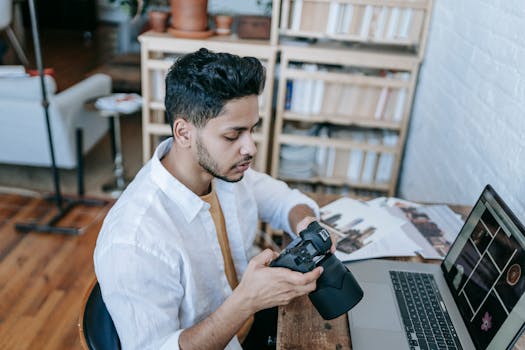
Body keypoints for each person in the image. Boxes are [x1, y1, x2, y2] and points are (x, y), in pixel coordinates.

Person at [94, 48, 327, 350]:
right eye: (233, 136)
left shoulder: (225, 171)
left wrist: (307, 224)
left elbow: (283, 200)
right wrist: (246, 301)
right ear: (184, 133)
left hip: (256, 324)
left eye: (252, 130)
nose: (250, 148)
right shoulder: (134, 240)